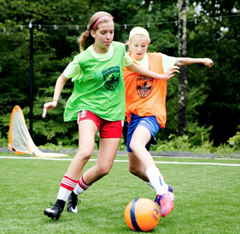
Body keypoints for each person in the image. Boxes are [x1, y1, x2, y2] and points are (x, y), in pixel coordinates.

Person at [40, 11, 179, 220]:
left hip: (114, 114)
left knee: (104, 167)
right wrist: (54, 99)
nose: (109, 37)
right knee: (86, 151)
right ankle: (58, 203)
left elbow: (132, 66)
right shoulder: (83, 58)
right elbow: (62, 78)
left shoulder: (117, 50)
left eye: (112, 32)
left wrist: (159, 76)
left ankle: (75, 194)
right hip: (89, 109)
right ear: (93, 33)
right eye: (104, 32)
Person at [122, 26, 213, 218]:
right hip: (132, 117)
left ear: (149, 44)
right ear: (128, 44)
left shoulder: (157, 59)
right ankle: (165, 187)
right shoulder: (123, 62)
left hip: (152, 114)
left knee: (136, 144)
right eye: (136, 45)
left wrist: (201, 60)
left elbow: (179, 60)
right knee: (134, 168)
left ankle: (162, 192)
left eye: (143, 45)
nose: (140, 49)